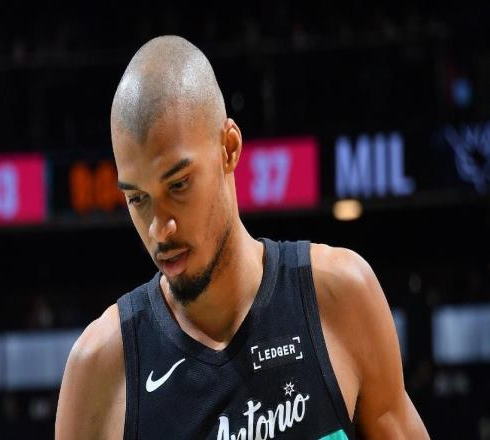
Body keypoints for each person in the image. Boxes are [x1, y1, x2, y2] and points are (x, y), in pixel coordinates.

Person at [55, 35, 429, 440]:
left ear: (229, 148)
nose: (159, 229)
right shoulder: (100, 370)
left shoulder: (340, 296)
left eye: (178, 185)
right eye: (138, 198)